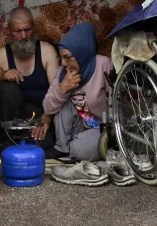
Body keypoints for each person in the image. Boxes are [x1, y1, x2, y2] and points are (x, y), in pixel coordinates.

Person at [0, 7, 59, 149]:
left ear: (34, 28)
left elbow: (58, 92)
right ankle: (6, 142)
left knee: (44, 147)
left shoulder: (47, 51)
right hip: (10, 122)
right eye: (18, 31)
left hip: (38, 118)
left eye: (27, 30)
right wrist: (1, 76)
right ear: (9, 30)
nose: (23, 36)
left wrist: (46, 119)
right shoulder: (1, 55)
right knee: (6, 88)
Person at [42, 22, 112, 161]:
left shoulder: (103, 65)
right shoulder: (63, 72)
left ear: (82, 51)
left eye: (67, 57)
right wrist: (62, 89)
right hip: (78, 127)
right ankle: (61, 148)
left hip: (102, 127)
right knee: (63, 102)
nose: (63, 63)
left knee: (79, 150)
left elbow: (120, 102)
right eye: (61, 57)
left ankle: (74, 149)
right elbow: (47, 107)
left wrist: (113, 132)